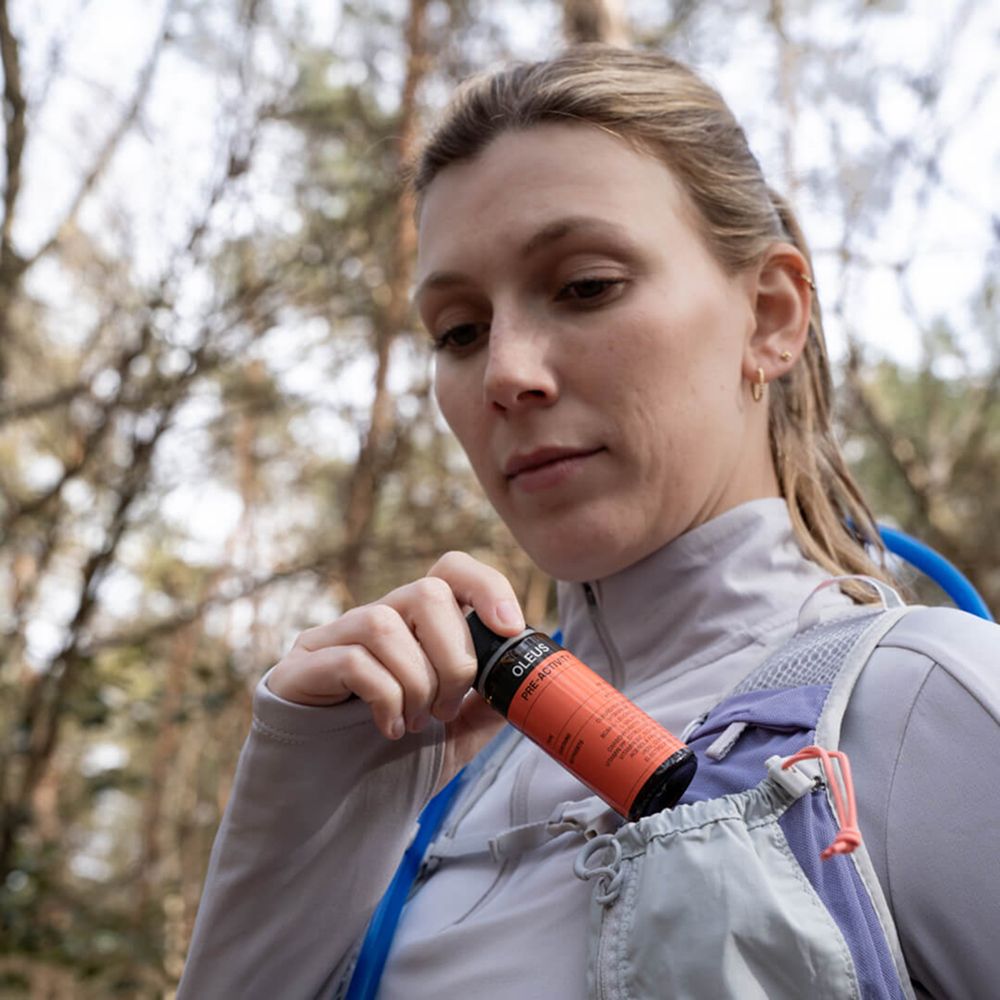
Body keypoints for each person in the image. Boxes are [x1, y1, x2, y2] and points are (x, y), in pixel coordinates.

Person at [177, 46, 1000, 999]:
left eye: (585, 286)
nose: (504, 374)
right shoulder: (432, 783)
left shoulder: (923, 704)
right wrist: (303, 818)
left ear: (770, 314)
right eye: (459, 330)